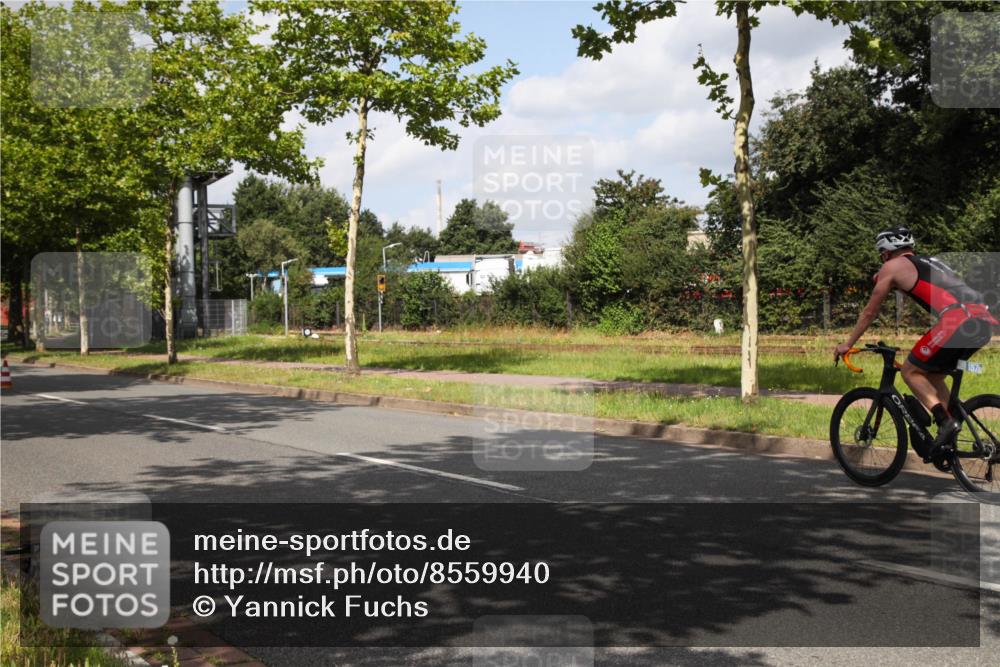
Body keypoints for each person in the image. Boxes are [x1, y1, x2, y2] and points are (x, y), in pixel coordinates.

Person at [833, 228, 997, 459]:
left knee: (910, 371)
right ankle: (952, 428)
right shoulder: (929, 262)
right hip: (982, 321)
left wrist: (847, 344)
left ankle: (945, 422)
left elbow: (870, 311)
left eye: (881, 254)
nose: (882, 259)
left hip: (957, 320)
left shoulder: (891, 266)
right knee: (932, 375)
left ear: (886, 252)